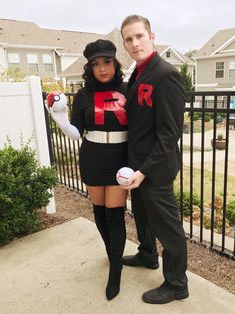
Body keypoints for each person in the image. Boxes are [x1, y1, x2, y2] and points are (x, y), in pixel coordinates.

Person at [46, 39, 128, 300]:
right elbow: (76, 132)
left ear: (115, 62)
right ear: (89, 67)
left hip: (120, 157)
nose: (102, 68)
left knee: (115, 214)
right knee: (100, 211)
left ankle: (115, 270)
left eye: (107, 61)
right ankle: (112, 253)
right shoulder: (83, 95)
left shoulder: (129, 89)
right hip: (92, 155)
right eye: (96, 63)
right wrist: (58, 117)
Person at [120, 15, 189, 304]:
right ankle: (148, 254)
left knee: (168, 227)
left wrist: (145, 170)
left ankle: (176, 284)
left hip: (156, 169)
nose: (135, 43)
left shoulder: (166, 74)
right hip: (138, 165)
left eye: (139, 36)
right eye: (128, 39)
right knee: (143, 215)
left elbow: (169, 134)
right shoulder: (136, 72)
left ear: (152, 36)